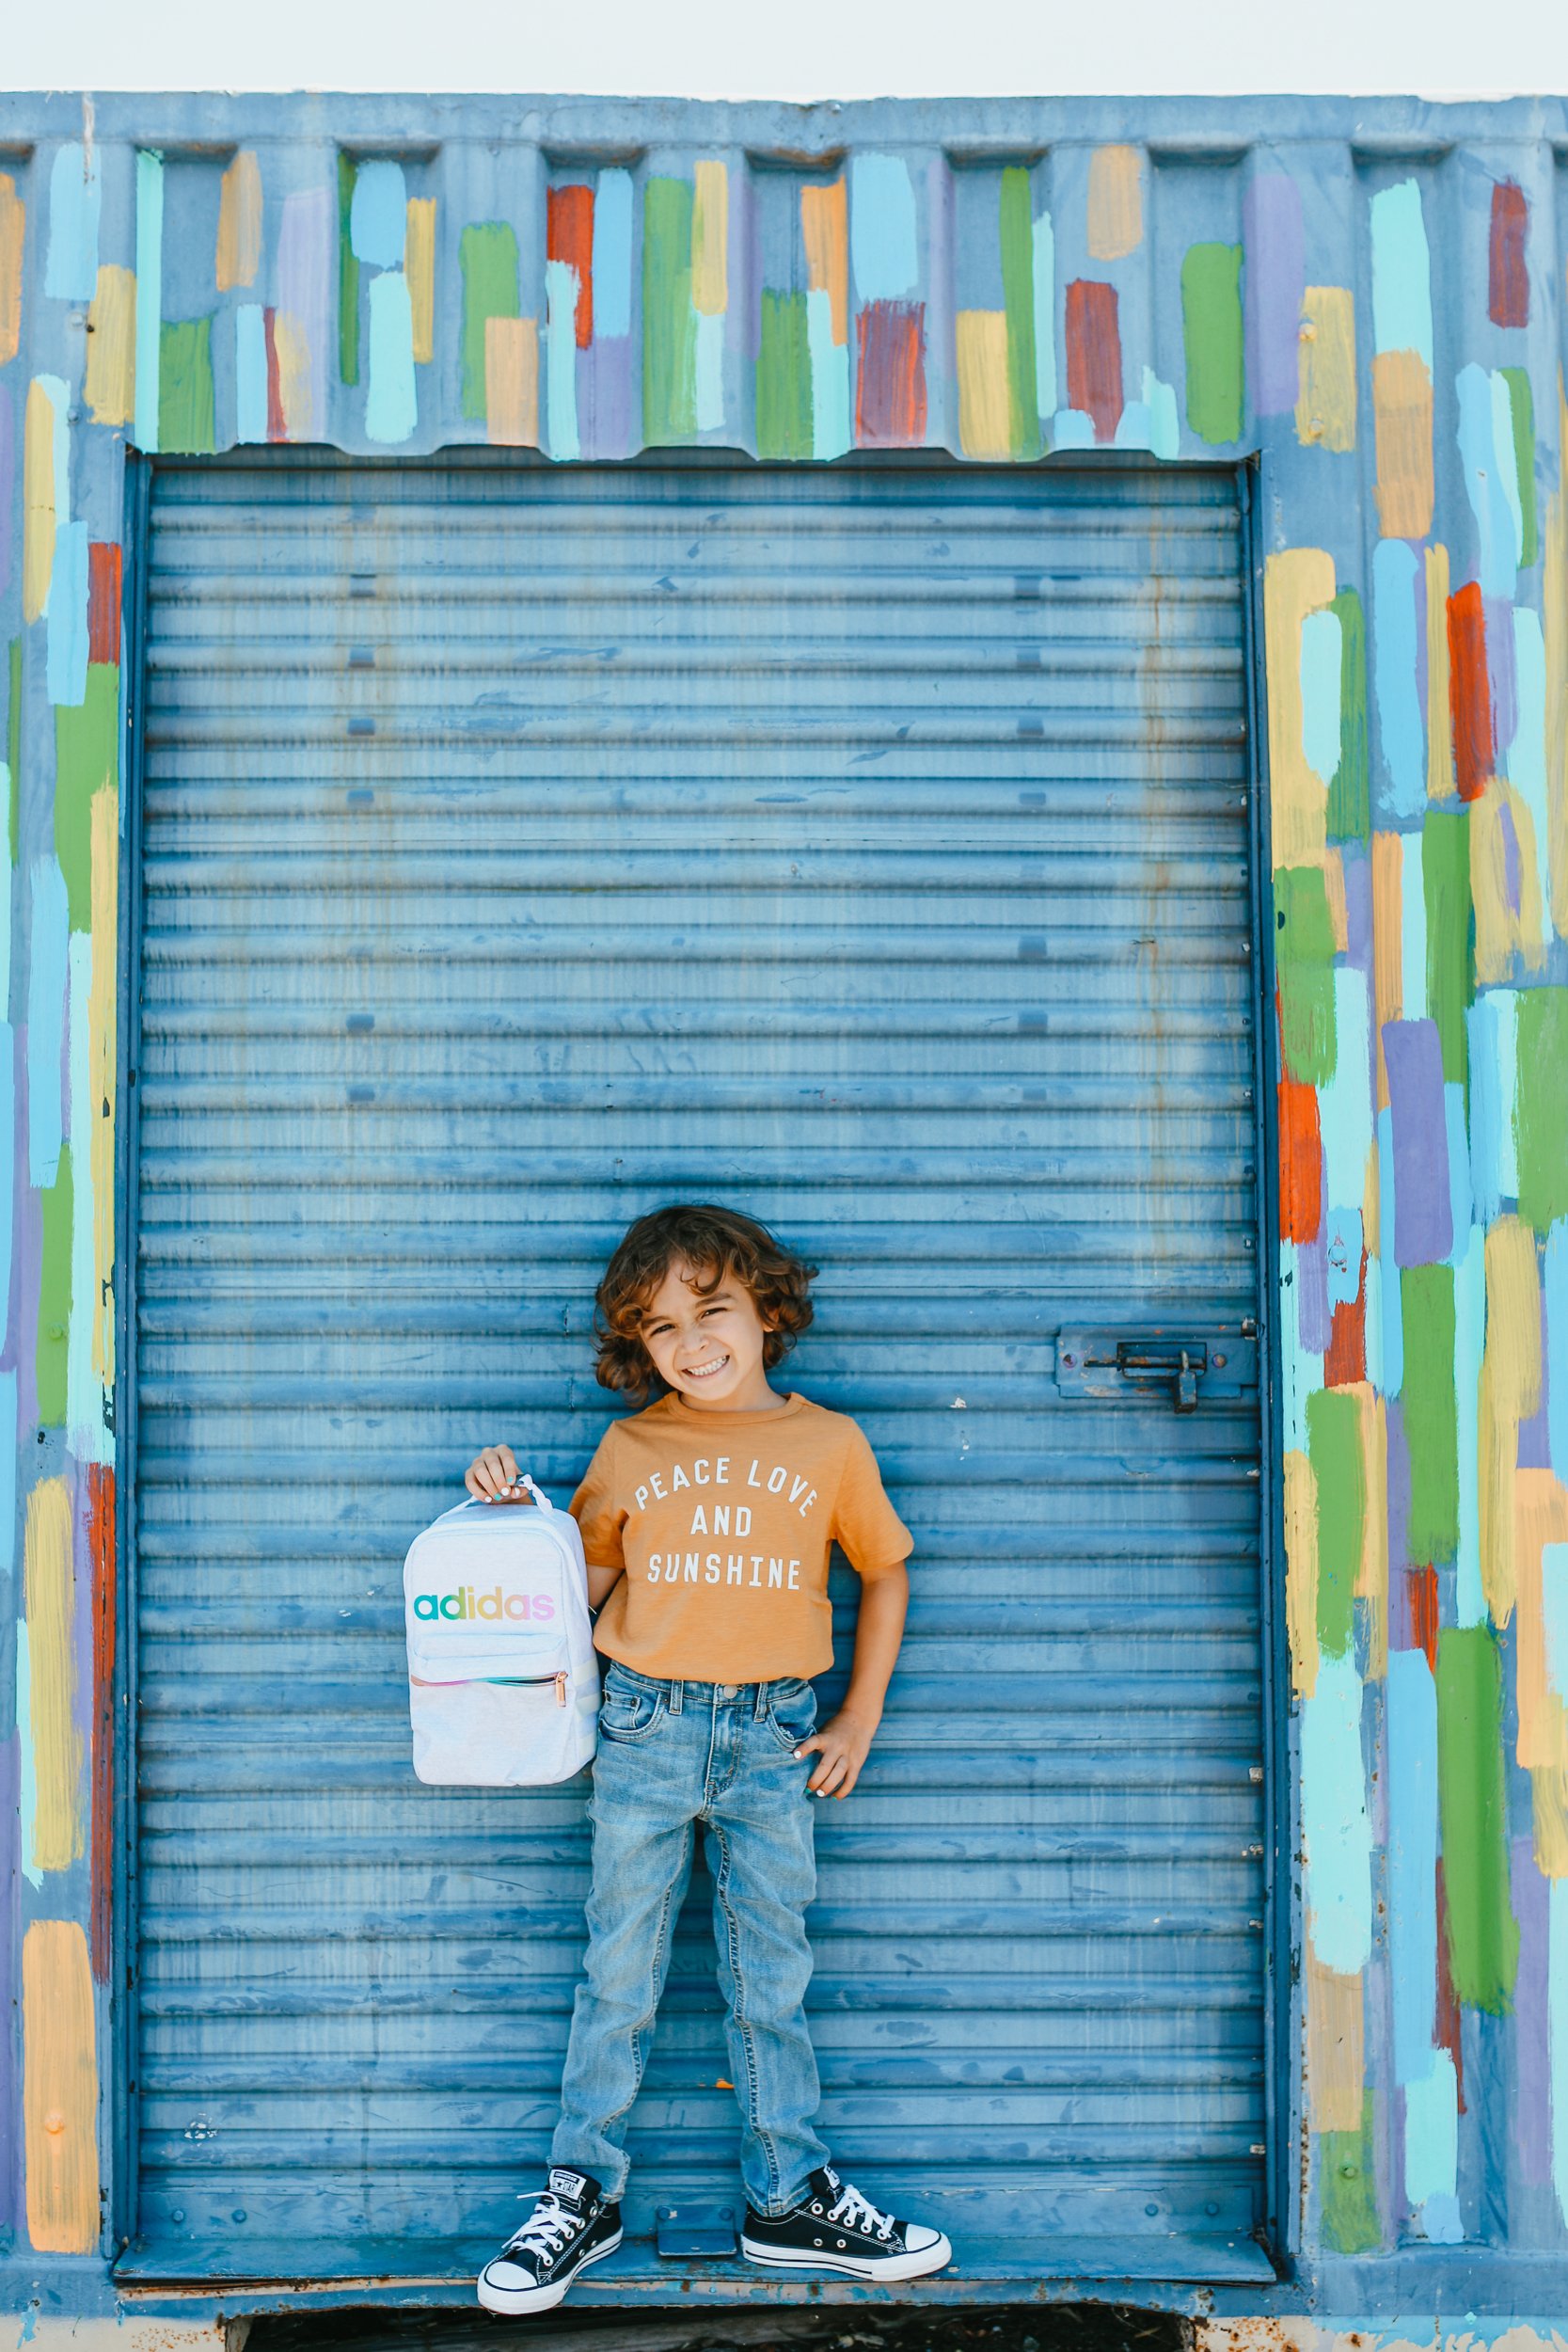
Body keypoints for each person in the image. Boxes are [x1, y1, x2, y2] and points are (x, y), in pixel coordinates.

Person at [464, 1202, 953, 2313]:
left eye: (712, 1309)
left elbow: (883, 1570)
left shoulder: (828, 1444)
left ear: (766, 1311)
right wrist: (510, 1511)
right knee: (617, 1973)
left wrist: (858, 1716)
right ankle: (578, 2196)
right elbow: (567, 1591)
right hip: (641, 1727)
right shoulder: (632, 1446)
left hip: (775, 1734)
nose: (689, 1342)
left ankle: (787, 2196)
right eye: (657, 1326)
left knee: (767, 1978)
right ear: (634, 1347)